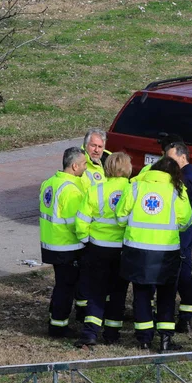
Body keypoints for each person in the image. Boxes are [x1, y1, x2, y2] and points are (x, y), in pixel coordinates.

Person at [117, 156, 192, 351]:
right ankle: (165, 339)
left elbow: (120, 217)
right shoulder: (177, 190)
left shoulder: (135, 187)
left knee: (141, 293)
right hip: (166, 252)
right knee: (166, 295)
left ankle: (144, 338)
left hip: (137, 250)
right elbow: (185, 222)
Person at [74, 152, 134, 348]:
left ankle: (90, 332)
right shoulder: (133, 190)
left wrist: (86, 241)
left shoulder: (96, 190)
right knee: (118, 292)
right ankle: (112, 334)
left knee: (96, 291)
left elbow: (81, 220)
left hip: (98, 248)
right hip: (123, 249)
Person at [39, 147, 88, 338]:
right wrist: (87, 241)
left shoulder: (49, 183)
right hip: (67, 246)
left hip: (51, 243)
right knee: (66, 288)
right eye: (84, 164)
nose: (85, 168)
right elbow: (75, 224)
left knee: (61, 284)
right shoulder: (71, 191)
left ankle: (54, 318)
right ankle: (59, 327)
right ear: (75, 166)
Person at [163, 141, 192, 334]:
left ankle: (184, 318)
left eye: (171, 159)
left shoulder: (187, 178)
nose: (168, 163)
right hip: (184, 233)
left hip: (182, 234)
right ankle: (183, 316)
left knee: (181, 275)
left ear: (183, 157)